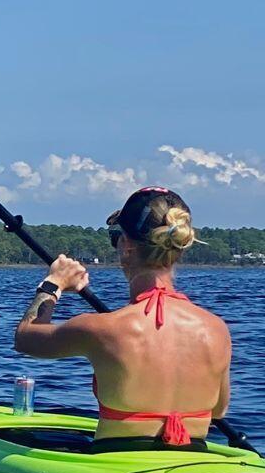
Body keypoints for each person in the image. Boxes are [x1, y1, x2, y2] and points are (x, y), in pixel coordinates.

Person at [15, 187, 230, 451]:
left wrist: (53, 283)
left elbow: (26, 337)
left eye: (115, 237)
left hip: (119, 461)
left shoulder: (102, 328)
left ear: (126, 245)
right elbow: (218, 410)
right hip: (192, 462)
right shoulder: (216, 330)